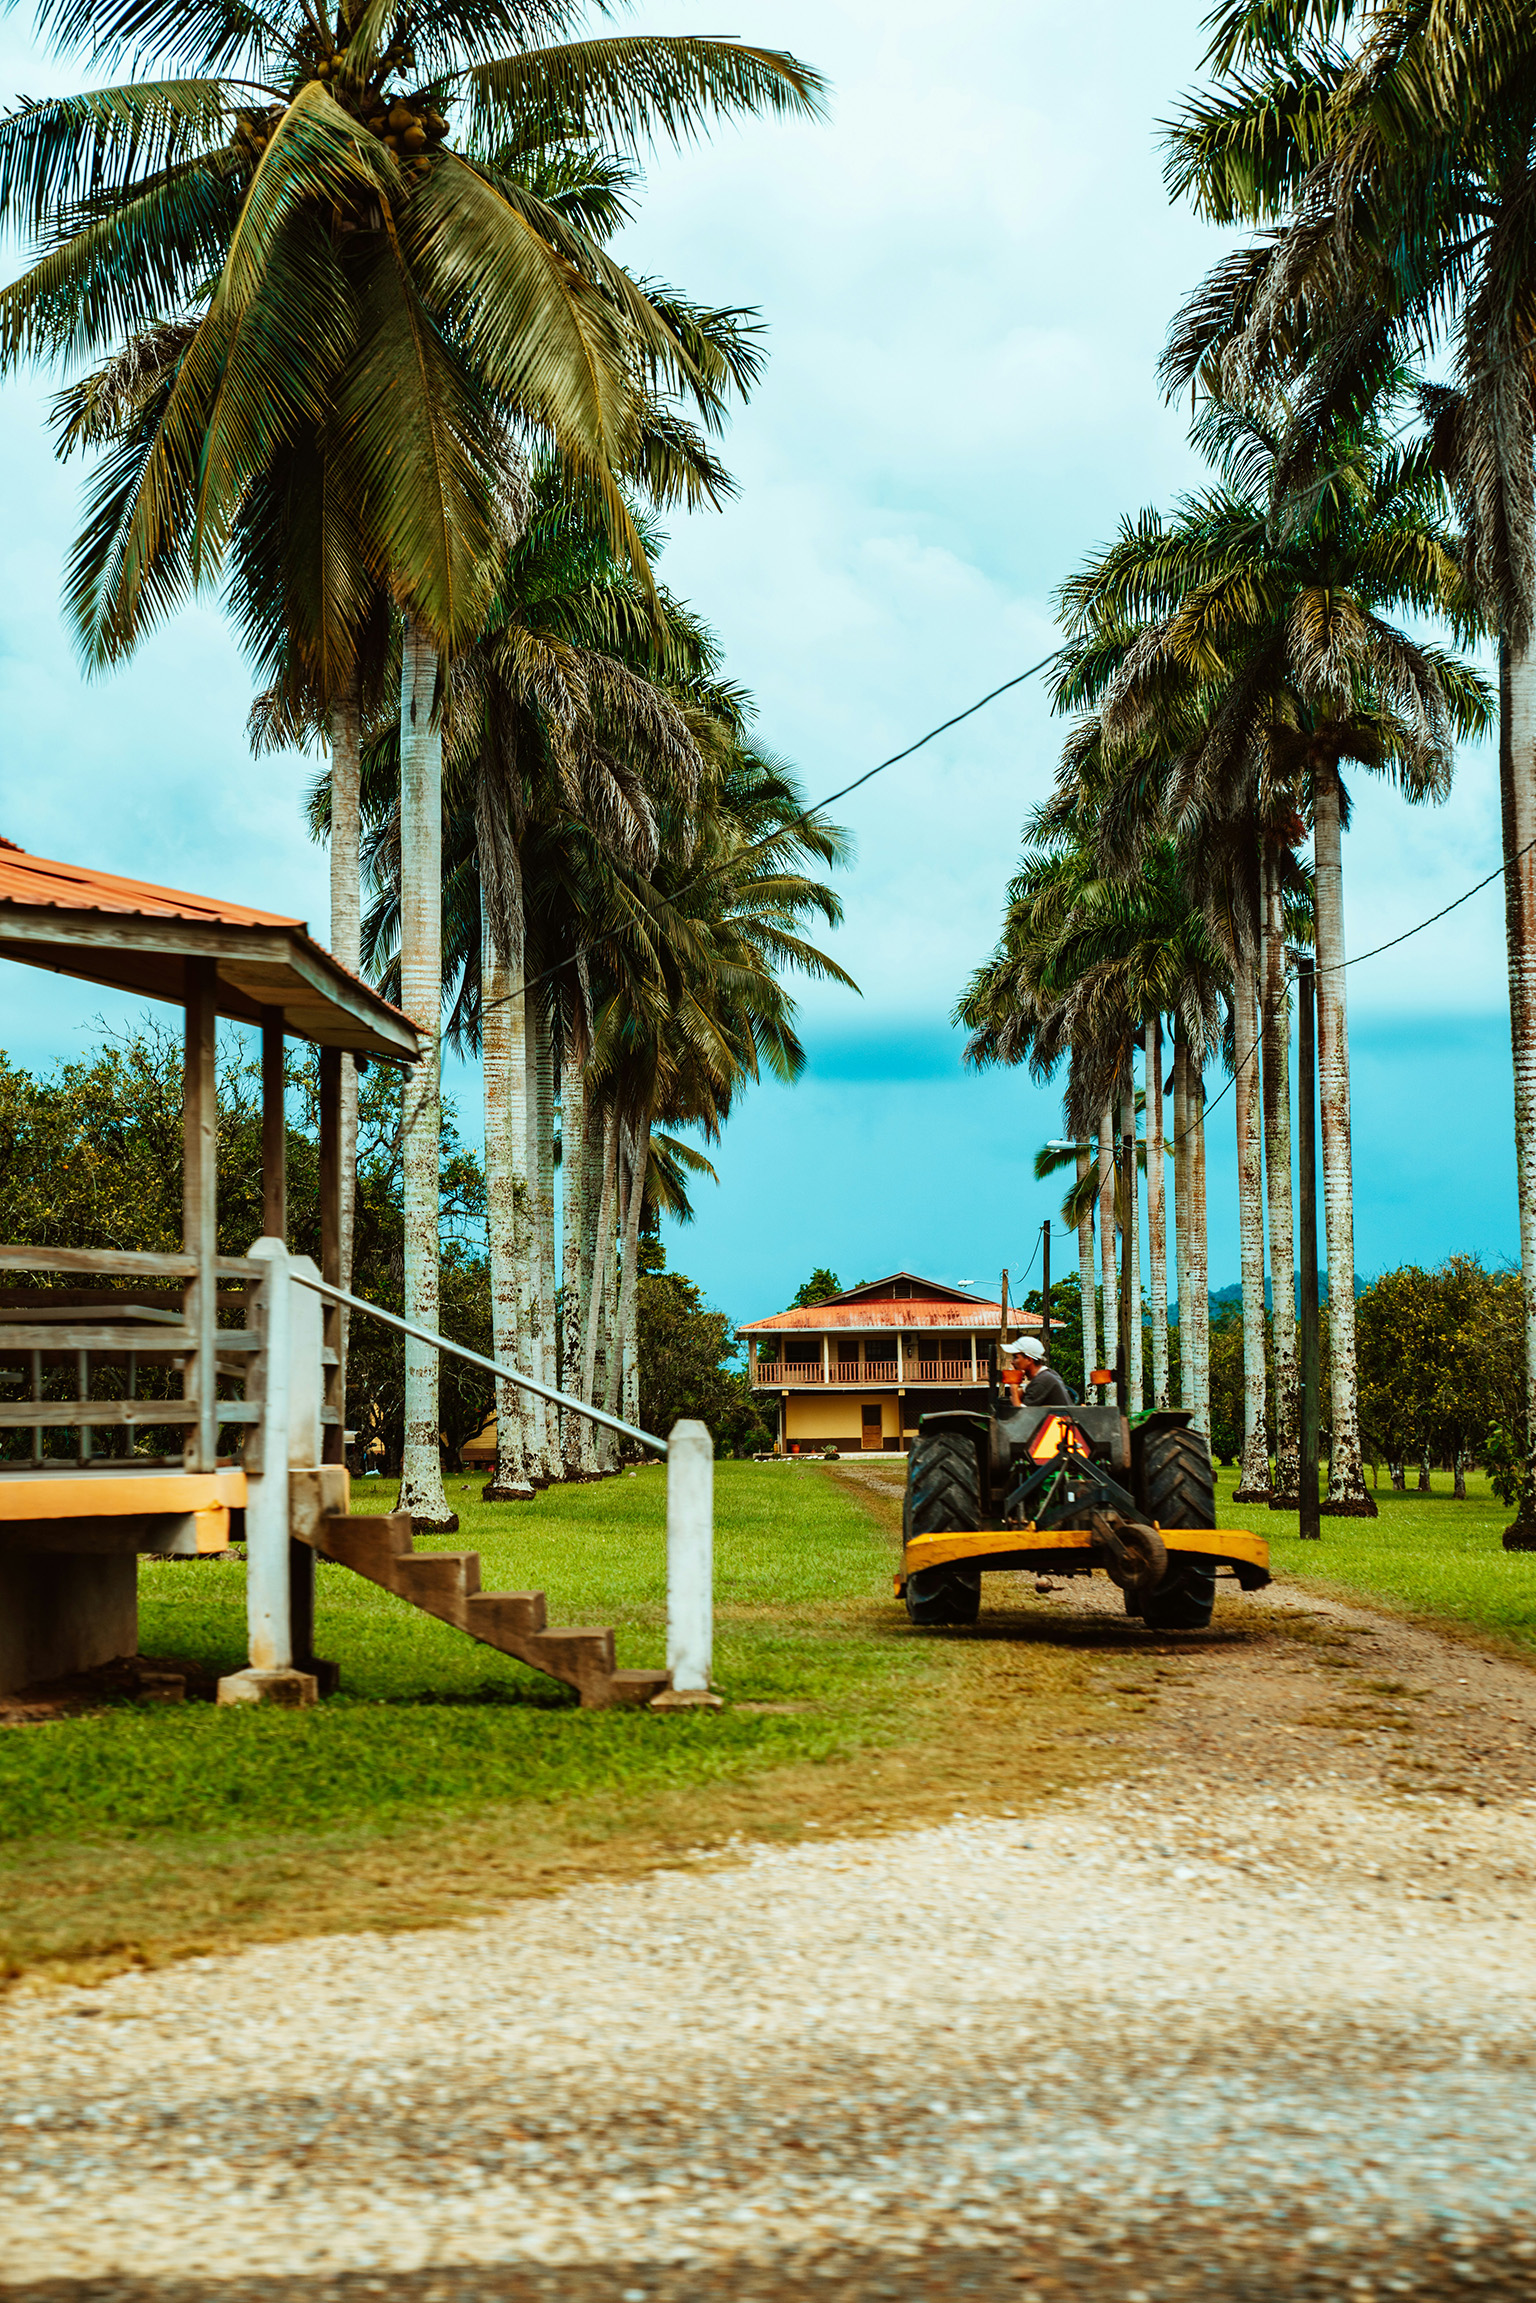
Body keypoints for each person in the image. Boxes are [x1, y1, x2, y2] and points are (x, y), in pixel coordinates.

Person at [1003, 1334, 1073, 1408]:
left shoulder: (1042, 1380)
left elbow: (1020, 1414)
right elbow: (1018, 1396)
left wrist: (1013, 1387)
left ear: (1029, 1360)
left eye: (1015, 1357)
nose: (1012, 1362)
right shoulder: (1046, 1374)